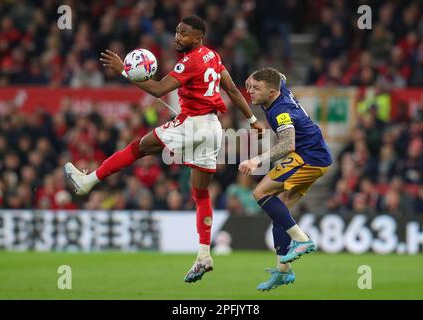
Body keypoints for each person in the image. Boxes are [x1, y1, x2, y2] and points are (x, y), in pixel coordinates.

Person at [64, 15, 264, 283]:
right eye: (177, 32)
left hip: (192, 125)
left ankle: (87, 181)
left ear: (198, 38)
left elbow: (158, 89)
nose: (177, 37)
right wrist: (252, 120)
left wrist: (124, 70)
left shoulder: (190, 61)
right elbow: (233, 90)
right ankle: (204, 255)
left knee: (139, 148)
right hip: (213, 129)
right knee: (201, 192)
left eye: (183, 33)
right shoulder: (213, 57)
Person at [239, 67, 332, 291]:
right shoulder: (279, 88)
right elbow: (280, 76)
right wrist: (254, 78)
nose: (250, 91)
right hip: (315, 155)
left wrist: (256, 161)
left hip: (308, 157)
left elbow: (288, 144)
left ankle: (302, 239)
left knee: (261, 193)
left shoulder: (282, 112)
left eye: (256, 88)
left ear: (271, 93)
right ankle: (283, 270)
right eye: (251, 86)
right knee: (279, 211)